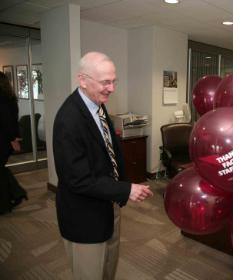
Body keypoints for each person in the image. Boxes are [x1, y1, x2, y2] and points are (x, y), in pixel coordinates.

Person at [53, 52, 153, 280]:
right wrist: (126, 190)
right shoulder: (68, 120)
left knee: (108, 268)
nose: (111, 88)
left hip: (108, 206)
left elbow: (109, 151)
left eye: (113, 81)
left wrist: (121, 187)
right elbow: (78, 180)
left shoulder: (97, 104)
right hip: (85, 218)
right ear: (83, 80)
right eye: (105, 82)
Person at [0, 71, 27, 214]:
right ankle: (15, 194)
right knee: (1, 171)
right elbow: (13, 120)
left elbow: (6, 122)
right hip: (6, 142)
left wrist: (13, 139)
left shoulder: (3, 99)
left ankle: (10, 199)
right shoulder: (10, 98)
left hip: (3, 142)